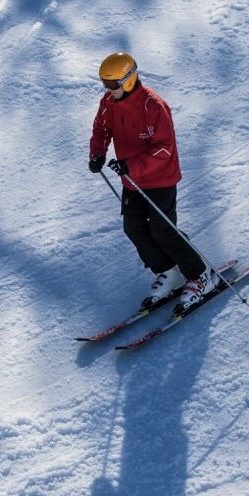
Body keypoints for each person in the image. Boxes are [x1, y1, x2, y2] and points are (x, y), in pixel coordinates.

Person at [88, 52, 219, 311]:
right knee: (134, 228)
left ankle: (202, 275)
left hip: (159, 178)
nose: (108, 89)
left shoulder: (153, 106)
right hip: (131, 181)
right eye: (104, 83)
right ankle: (170, 272)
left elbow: (164, 149)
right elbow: (101, 129)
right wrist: (98, 152)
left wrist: (132, 165)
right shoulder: (108, 103)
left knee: (163, 229)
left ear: (127, 79)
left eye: (112, 84)